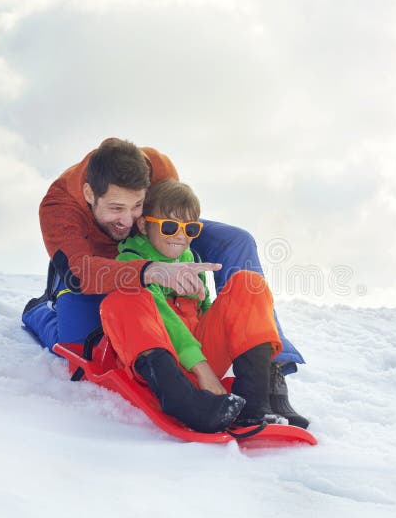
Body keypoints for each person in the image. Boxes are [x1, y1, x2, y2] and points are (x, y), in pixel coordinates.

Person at [21, 138, 307, 423]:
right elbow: (79, 273)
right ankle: (38, 311)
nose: (128, 220)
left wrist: (192, 290)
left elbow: (173, 219)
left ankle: (267, 370)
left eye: (137, 206)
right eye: (115, 208)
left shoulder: (158, 169)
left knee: (238, 242)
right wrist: (150, 270)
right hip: (89, 266)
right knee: (80, 346)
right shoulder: (58, 206)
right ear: (89, 194)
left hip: (152, 242)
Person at [100, 180, 307, 431]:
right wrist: (203, 370)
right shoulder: (131, 262)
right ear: (144, 225)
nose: (180, 236)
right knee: (125, 297)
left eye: (191, 230)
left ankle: (254, 404)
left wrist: (223, 327)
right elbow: (163, 317)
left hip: (201, 361)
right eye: (169, 227)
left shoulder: (190, 260)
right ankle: (187, 405)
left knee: (248, 283)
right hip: (162, 372)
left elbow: (205, 310)